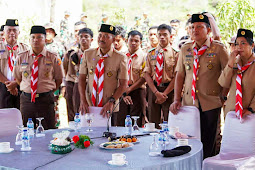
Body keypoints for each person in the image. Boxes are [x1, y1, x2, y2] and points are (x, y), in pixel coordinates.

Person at [169, 13, 229, 159]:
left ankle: (207, 165)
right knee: (189, 137)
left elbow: (229, 73)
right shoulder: (186, 48)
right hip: (190, 102)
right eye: (192, 27)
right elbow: (180, 75)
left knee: (209, 139)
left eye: (199, 27)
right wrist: (177, 99)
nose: (195, 30)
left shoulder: (219, 49)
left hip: (211, 101)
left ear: (208, 30)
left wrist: (223, 95)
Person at [13, 25, 64, 130]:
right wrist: (29, 89)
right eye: (33, 37)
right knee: (26, 130)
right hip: (27, 100)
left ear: (45, 40)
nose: (36, 40)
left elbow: (59, 79)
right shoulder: (21, 57)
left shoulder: (53, 57)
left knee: (48, 129)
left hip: (46, 99)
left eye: (39, 37)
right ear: (29, 39)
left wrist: (46, 90)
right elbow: (18, 78)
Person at [79, 24, 128, 126]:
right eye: (100, 35)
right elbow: (82, 79)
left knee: (110, 138)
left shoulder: (120, 58)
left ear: (113, 39)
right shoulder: (88, 54)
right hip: (90, 105)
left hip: (109, 106)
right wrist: (83, 100)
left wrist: (111, 101)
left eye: (106, 36)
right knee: (88, 135)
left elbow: (123, 84)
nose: (102, 38)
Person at [144, 24, 178, 129]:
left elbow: (177, 76)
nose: (162, 37)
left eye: (165, 34)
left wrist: (164, 94)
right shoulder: (151, 53)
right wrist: (156, 93)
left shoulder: (176, 54)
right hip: (154, 89)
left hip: (169, 91)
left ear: (170, 36)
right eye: (160, 35)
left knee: (170, 120)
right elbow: (146, 74)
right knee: (152, 121)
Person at [219, 29, 255, 120]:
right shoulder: (234, 63)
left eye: (243, 43)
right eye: (236, 44)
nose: (239, 47)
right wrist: (230, 64)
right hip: (231, 111)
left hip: (249, 113)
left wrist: (251, 109)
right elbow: (223, 83)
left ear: (252, 45)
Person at [63, 27, 93, 121]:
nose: (83, 39)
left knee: (89, 110)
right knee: (73, 110)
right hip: (73, 83)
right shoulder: (71, 54)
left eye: (86, 37)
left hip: (89, 85)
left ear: (91, 39)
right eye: (81, 37)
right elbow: (65, 68)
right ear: (78, 39)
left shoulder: (95, 54)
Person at [117, 30, 147, 127]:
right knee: (121, 118)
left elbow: (144, 77)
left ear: (140, 42)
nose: (133, 43)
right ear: (126, 40)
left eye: (136, 41)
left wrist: (129, 89)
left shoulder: (144, 57)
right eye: (131, 40)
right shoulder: (121, 56)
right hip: (122, 90)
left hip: (137, 90)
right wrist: (124, 92)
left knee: (136, 119)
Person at [0, 19, 28, 109]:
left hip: (21, 86)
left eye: (14, 30)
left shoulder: (25, 49)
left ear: (19, 32)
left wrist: (15, 83)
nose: (12, 33)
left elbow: (29, 70)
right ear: (4, 32)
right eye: (9, 30)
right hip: (2, 86)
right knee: (4, 117)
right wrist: (9, 85)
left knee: (21, 115)